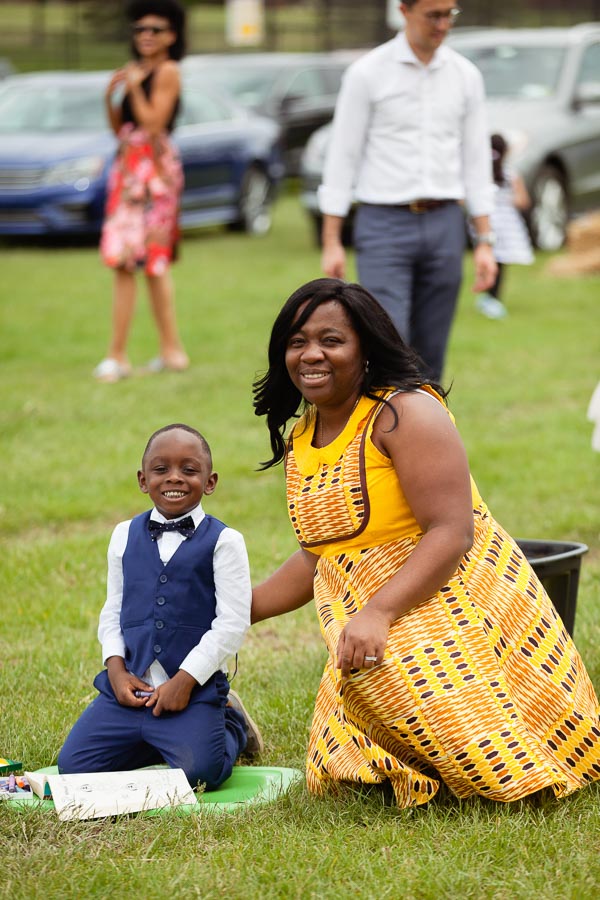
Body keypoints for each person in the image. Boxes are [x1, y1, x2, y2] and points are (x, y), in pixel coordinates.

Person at [251, 277, 600, 808]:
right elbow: (319, 558)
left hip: (455, 595)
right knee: (347, 768)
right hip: (377, 610)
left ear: (365, 349)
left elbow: (452, 532)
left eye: (331, 340)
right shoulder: (304, 435)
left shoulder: (404, 412)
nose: (311, 354)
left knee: (496, 777)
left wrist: (378, 613)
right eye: (297, 342)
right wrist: (236, 609)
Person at [58, 424, 263, 789]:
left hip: (191, 688)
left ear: (210, 481)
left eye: (189, 470)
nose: (174, 478)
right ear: (142, 479)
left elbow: (231, 623)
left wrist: (184, 681)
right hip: (132, 688)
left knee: (202, 773)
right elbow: (113, 609)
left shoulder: (225, 541)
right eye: (161, 469)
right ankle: (162, 740)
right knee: (74, 768)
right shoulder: (123, 534)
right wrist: (116, 670)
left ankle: (233, 726)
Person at [318, 0, 497, 382]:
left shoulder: (466, 75)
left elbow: (476, 160)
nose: (443, 24)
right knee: (388, 344)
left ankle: (427, 438)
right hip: (383, 223)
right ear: (403, 11)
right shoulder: (367, 73)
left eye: (450, 14)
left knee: (432, 353)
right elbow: (342, 157)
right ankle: (383, 437)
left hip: (446, 222)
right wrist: (332, 238)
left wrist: (484, 239)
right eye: (434, 15)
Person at [94, 0, 189, 383]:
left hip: (153, 173)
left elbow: (153, 124)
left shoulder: (167, 71)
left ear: (171, 35)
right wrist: (110, 96)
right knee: (133, 261)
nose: (145, 36)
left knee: (146, 260)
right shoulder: (138, 71)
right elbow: (122, 129)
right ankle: (170, 352)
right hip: (129, 166)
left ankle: (122, 355)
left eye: (155, 29)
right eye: (139, 29)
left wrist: (133, 88)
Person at [475, 133, 535, 320]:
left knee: (490, 261)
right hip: (506, 225)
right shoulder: (510, 174)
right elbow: (523, 200)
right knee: (499, 263)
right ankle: (492, 297)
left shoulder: (480, 174)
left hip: (486, 222)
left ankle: (488, 296)